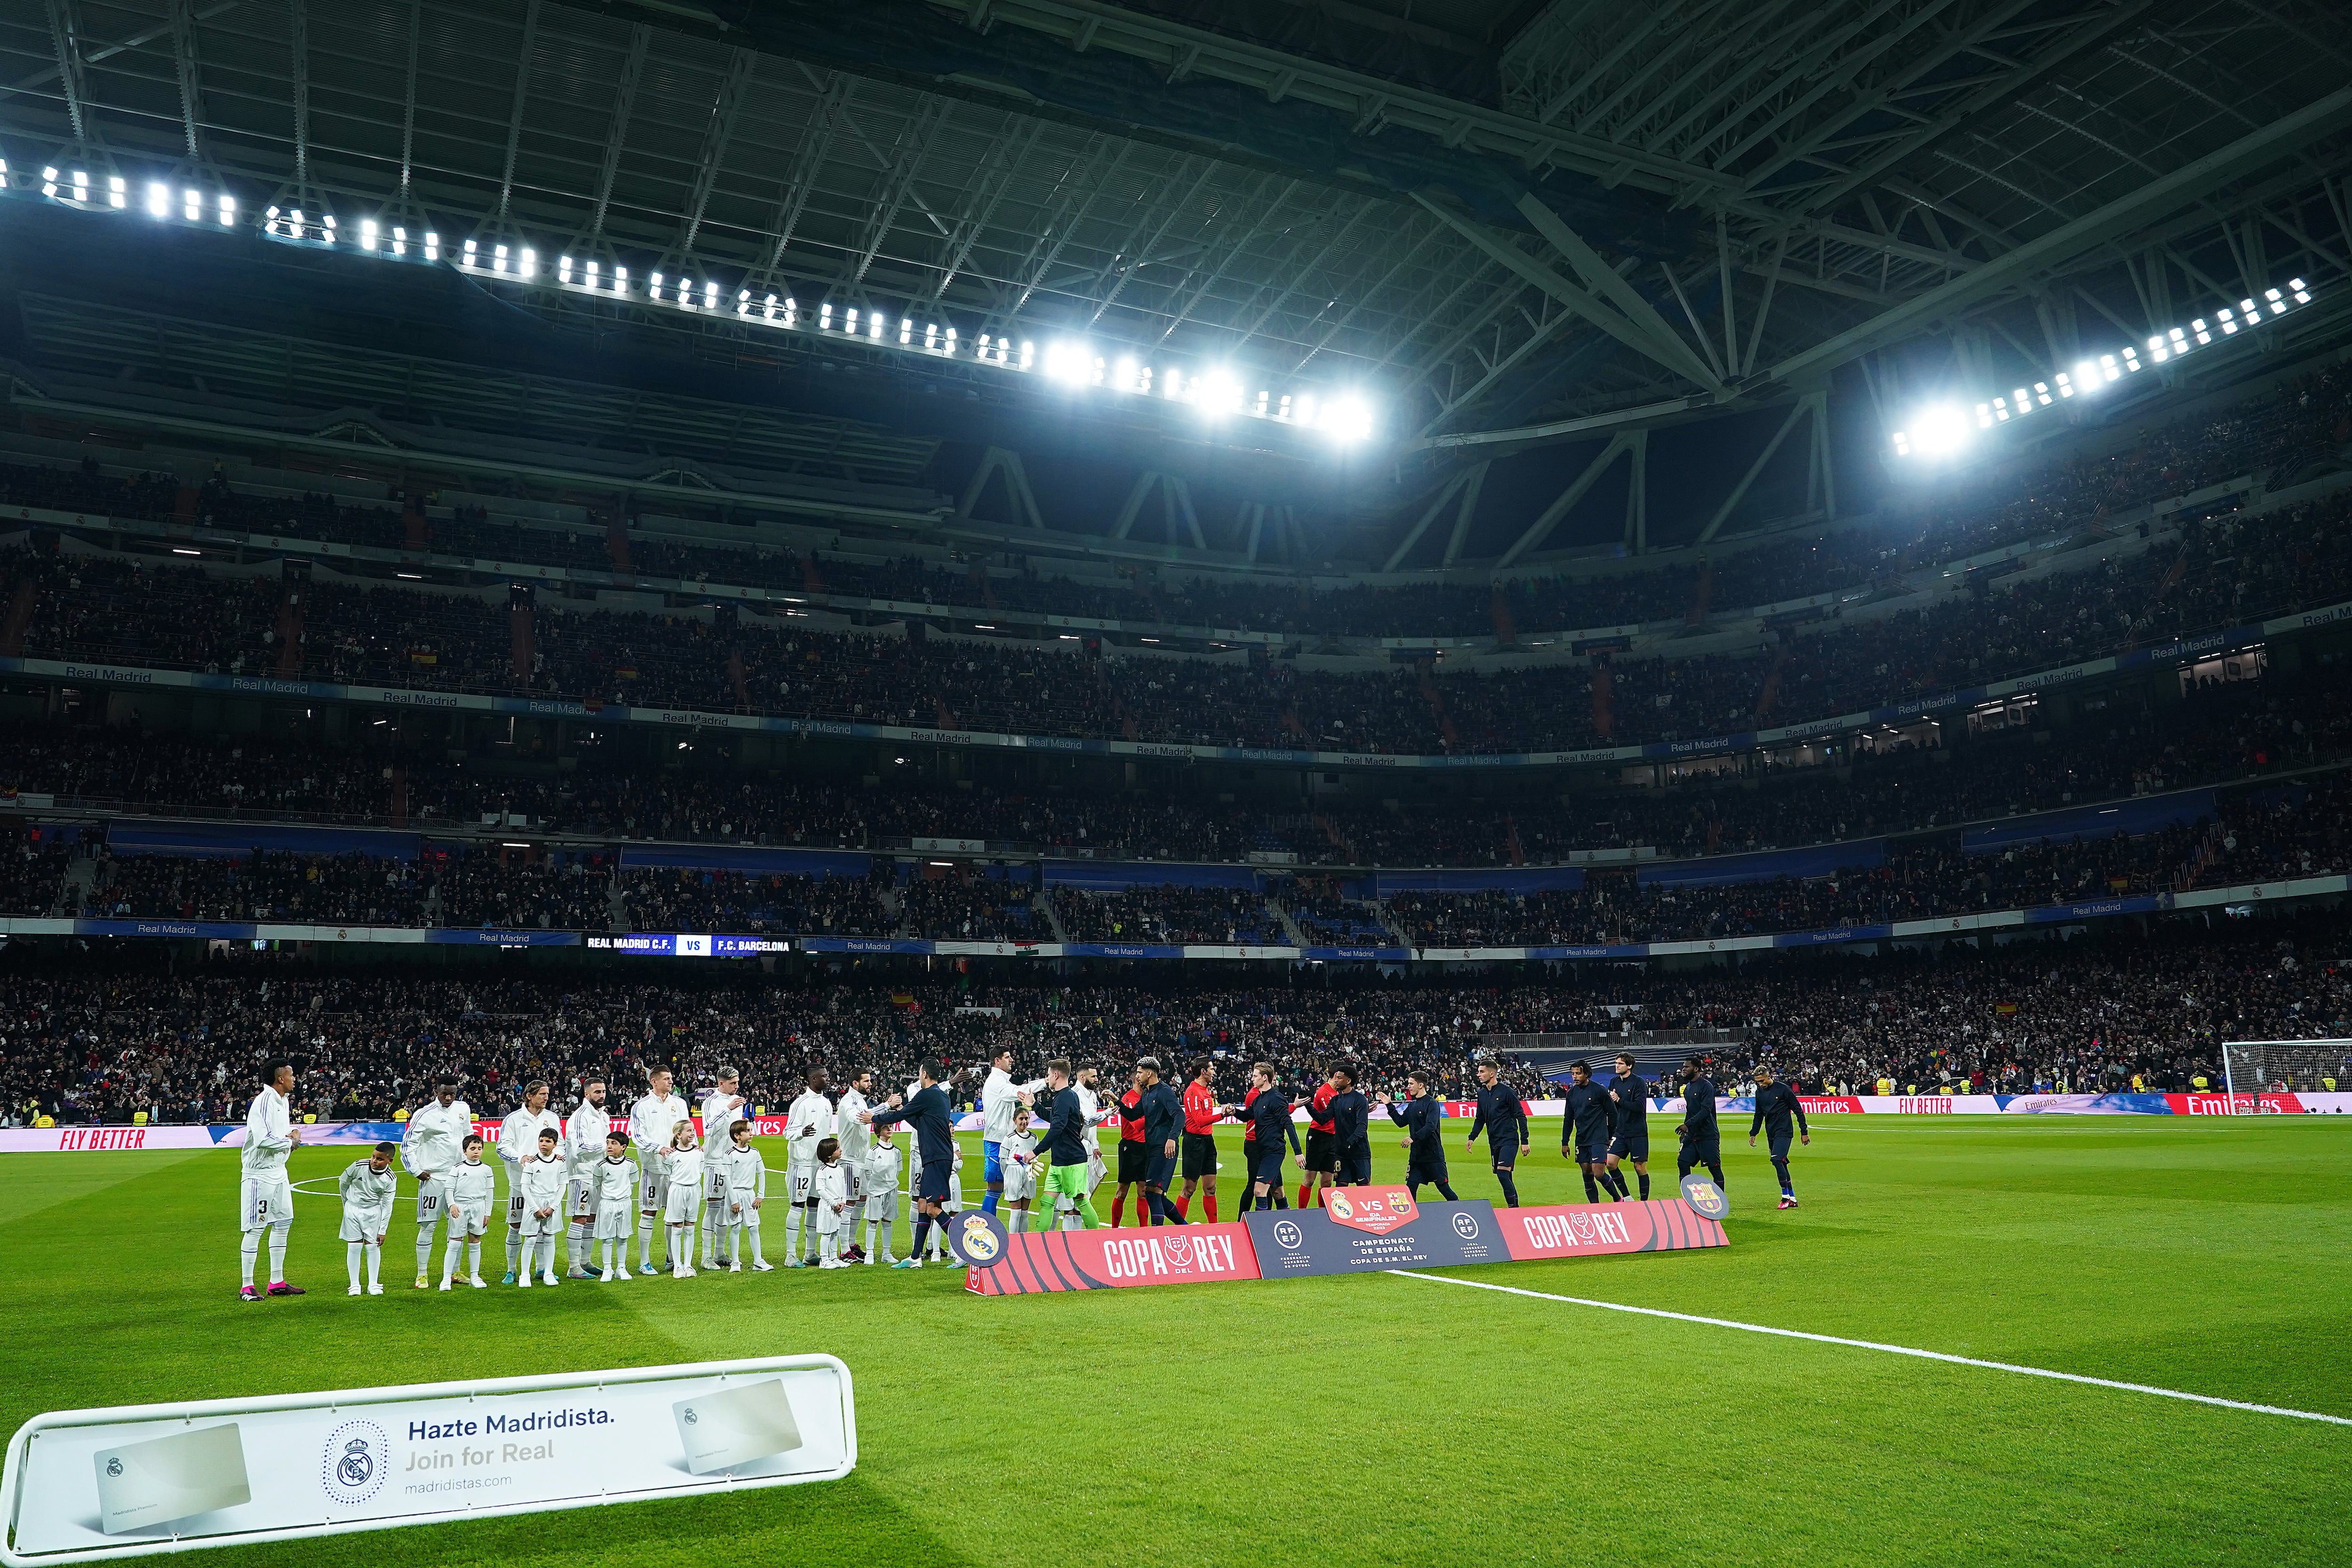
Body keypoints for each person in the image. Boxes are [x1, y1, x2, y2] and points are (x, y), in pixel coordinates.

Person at [864, 1059, 956, 1268]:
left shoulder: (926, 1094)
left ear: (924, 1074)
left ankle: (963, 1248)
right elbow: (918, 1120)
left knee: (933, 1209)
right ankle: (915, 1257)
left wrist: (874, 1118)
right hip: (937, 1155)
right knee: (923, 1205)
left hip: (936, 1157)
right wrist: (904, 1111)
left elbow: (901, 1115)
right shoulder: (942, 1097)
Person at [239, 1059, 302, 1301]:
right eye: (291, 1074)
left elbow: (279, 1134)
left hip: (279, 1171)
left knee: (284, 1221)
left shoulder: (282, 1101)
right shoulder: (264, 1101)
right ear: (280, 1079)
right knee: (256, 1228)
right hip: (260, 1174)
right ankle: (247, 1286)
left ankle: (277, 1281)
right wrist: (291, 1142)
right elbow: (262, 1140)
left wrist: (293, 1133)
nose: (294, 1078)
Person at [402, 1076, 472, 1290]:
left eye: (453, 1093)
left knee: (457, 1226)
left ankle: (455, 1271)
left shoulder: (463, 1109)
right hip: (434, 1178)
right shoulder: (424, 1114)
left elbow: (468, 1136)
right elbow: (408, 1145)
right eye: (445, 1093)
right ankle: (422, 1275)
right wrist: (416, 1171)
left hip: (458, 1178)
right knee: (428, 1226)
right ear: (436, 1091)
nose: (449, 1097)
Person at [1029, 1058, 1106, 1231]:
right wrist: (1035, 1105)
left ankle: (1096, 1237)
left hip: (1072, 1161)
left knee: (1081, 1201)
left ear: (1056, 1075)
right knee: (1047, 1202)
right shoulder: (1065, 1097)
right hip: (1059, 1160)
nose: (1047, 1079)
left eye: (1049, 1075)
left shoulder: (1065, 1097)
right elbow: (1055, 1119)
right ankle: (1038, 1240)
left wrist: (1036, 1151)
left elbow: (1057, 1127)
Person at [497, 1080, 560, 1285]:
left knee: (544, 1226)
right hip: (519, 1182)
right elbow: (502, 1147)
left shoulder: (552, 1118)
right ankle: (511, 1270)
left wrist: (559, 1155)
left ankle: (542, 1268)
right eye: (542, 1094)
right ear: (529, 1096)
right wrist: (521, 1157)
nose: (546, 1097)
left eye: (547, 1094)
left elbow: (562, 1145)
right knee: (515, 1225)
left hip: (546, 1184)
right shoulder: (514, 1119)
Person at [628, 1068, 689, 1276]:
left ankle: (672, 1258)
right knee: (649, 1213)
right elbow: (637, 1136)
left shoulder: (679, 1104)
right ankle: (644, 1262)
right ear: (654, 1082)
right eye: (667, 1079)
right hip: (653, 1167)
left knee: (675, 1214)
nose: (671, 1081)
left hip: (676, 1169)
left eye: (672, 1078)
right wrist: (659, 1148)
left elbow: (687, 1130)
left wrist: (693, 1146)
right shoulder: (641, 1107)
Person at [979, 1047, 1047, 1218]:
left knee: (1017, 1186)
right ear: (997, 1061)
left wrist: (1045, 1082)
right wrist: (1045, 1083)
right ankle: (986, 1225)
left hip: (1009, 1141)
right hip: (996, 1141)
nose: (1011, 1060)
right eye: (1007, 1057)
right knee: (994, 1186)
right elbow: (1018, 1092)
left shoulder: (1003, 1081)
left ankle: (1014, 1230)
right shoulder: (996, 1082)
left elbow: (1018, 1089)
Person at [1378, 1072, 1457, 1202]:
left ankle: (1461, 1210)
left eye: (1411, 1084)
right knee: (1410, 1188)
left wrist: (1413, 1138)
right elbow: (1400, 1122)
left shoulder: (1432, 1104)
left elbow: (1431, 1127)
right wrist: (1389, 1105)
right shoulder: (1412, 1105)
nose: (1408, 1087)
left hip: (1433, 1155)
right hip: (1416, 1157)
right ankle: (1413, 1219)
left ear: (1421, 1085)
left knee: (1443, 1187)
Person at [561, 1077, 612, 1279]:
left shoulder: (603, 1116)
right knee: (580, 1217)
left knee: (592, 1218)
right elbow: (580, 1148)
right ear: (587, 1094)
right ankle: (574, 1267)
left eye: (603, 1091)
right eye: (597, 1092)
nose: (601, 1095)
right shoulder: (580, 1116)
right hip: (582, 1174)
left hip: (598, 1174)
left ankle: (585, 1261)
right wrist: (606, 1147)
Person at [1128, 1056, 1187, 1226]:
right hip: (1152, 1148)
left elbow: (1179, 1115)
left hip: (1164, 1148)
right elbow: (1133, 1115)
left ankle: (1157, 1233)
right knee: (1155, 1193)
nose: (1137, 1076)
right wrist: (1117, 1102)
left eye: (1140, 1072)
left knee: (1153, 1191)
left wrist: (1172, 1138)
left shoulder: (1164, 1091)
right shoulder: (1147, 1093)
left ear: (1149, 1073)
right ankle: (1184, 1227)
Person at [703, 1068, 750, 1270]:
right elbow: (708, 1128)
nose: (737, 1086)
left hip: (732, 1160)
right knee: (713, 1207)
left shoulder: (737, 1101)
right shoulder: (711, 1102)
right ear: (721, 1083)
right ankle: (706, 1257)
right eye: (733, 1083)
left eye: (737, 1082)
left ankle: (719, 1252)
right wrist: (728, 1109)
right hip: (715, 1160)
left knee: (726, 1207)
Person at [338, 1139, 398, 1297]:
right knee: (354, 1247)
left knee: (372, 1247)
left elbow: (387, 1205)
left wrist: (383, 1230)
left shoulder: (390, 1179)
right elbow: (343, 1183)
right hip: (352, 1210)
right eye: (373, 1157)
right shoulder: (358, 1166)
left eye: (379, 1159)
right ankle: (354, 1285)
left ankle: (373, 1284)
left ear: (389, 1161)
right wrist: (346, 1205)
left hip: (373, 1212)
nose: (374, 1161)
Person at [782, 1068, 828, 1268]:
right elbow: (787, 1132)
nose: (827, 1079)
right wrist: (801, 1132)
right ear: (813, 1079)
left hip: (819, 1163)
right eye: (824, 1076)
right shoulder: (800, 1103)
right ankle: (791, 1256)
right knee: (797, 1206)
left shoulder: (826, 1103)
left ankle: (810, 1253)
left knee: (814, 1207)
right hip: (801, 1163)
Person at [1467, 1062, 1529, 1208]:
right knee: (1507, 1176)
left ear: (1492, 1074)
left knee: (1502, 1174)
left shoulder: (1506, 1092)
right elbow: (1480, 1118)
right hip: (1494, 1142)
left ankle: (1512, 1208)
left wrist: (1524, 1140)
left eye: (1482, 1072)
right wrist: (1472, 1137)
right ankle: (1516, 1209)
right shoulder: (1482, 1094)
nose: (1479, 1075)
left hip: (1509, 1140)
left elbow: (1521, 1115)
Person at [1748, 1067, 1811, 1210]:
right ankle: (1793, 1198)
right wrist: (1754, 1133)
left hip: (1785, 1131)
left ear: (1768, 1076)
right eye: (1758, 1082)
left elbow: (1798, 1111)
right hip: (1771, 1132)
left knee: (1777, 1160)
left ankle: (1785, 1197)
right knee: (1781, 1163)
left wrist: (1804, 1132)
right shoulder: (1759, 1093)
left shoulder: (1783, 1090)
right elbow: (1759, 1114)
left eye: (1762, 1081)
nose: (1760, 1084)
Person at [441, 1133, 496, 1290]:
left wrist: (488, 1213)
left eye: (479, 1148)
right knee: (455, 1241)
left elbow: (490, 1192)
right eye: (473, 1148)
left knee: (475, 1241)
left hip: (478, 1206)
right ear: (465, 1151)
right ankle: (446, 1278)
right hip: (460, 1207)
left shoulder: (486, 1169)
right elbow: (449, 1188)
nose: (476, 1151)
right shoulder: (458, 1168)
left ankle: (475, 1276)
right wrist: (452, 1205)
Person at [1561, 1060, 1619, 1204]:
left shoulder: (1599, 1090)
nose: (1575, 1077)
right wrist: (1565, 1142)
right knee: (1587, 1173)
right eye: (1573, 1074)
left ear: (1586, 1074)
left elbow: (1612, 1113)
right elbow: (1568, 1119)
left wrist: (1609, 1135)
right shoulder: (1571, 1094)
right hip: (1582, 1139)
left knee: (1599, 1173)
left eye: (1578, 1073)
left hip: (1599, 1138)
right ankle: (1595, 1207)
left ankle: (1618, 1199)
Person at [517, 1126, 566, 1288]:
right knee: (530, 1239)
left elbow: (562, 1186)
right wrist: (534, 1208)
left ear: (555, 1144)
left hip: (551, 1204)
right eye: (541, 1141)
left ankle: (549, 1273)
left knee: (550, 1238)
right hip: (534, 1204)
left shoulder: (560, 1163)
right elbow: (525, 1187)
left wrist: (553, 1206)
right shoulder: (531, 1163)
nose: (543, 1144)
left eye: (548, 1141)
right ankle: (525, 1275)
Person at [834, 1067, 874, 1260]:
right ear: (855, 1084)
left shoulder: (861, 1100)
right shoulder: (849, 1101)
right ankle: (844, 1250)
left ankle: (851, 1242)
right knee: (850, 1202)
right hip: (849, 1160)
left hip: (862, 1159)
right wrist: (885, 1107)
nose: (870, 1084)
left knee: (862, 1200)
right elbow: (857, 1118)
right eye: (866, 1081)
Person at [1177, 1059, 1221, 1221]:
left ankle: (1214, 1227)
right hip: (1194, 1142)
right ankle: (1178, 1227)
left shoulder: (1205, 1091)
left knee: (1211, 1188)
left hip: (1208, 1141)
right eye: (1211, 1069)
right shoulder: (1193, 1092)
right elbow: (1199, 1121)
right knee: (1189, 1189)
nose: (1214, 1072)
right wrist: (1222, 1115)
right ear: (1203, 1072)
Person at [726, 1119, 771, 1271]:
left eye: (751, 1130)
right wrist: (734, 1201)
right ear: (737, 1136)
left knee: (754, 1228)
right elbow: (727, 1178)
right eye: (748, 1131)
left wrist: (760, 1195)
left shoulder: (755, 1152)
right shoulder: (730, 1154)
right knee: (736, 1228)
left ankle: (758, 1261)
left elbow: (762, 1173)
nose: (751, 1133)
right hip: (735, 1194)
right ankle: (735, 1262)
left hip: (750, 1195)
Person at [592, 1130, 638, 1282]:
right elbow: (597, 1185)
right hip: (607, 1204)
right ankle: (607, 1269)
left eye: (614, 1143)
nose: (609, 1146)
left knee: (623, 1238)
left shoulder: (631, 1164)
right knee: (607, 1239)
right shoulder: (601, 1165)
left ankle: (621, 1268)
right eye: (608, 1143)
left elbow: (632, 1182)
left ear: (623, 1147)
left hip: (625, 1204)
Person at [1606, 1053, 1652, 1201]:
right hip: (1620, 1132)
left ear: (1629, 1066)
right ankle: (1627, 1197)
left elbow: (1639, 1107)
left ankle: (1644, 1202)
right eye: (1616, 1063)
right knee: (1610, 1163)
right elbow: (1611, 1106)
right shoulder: (1614, 1082)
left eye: (1620, 1064)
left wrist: (1619, 1100)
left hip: (1637, 1132)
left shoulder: (1638, 1083)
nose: (1617, 1066)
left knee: (1639, 1167)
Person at [662, 1122, 704, 1278]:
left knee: (690, 1228)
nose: (692, 1133)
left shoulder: (699, 1153)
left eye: (693, 1130)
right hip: (678, 1190)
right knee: (677, 1227)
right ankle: (677, 1266)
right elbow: (668, 1173)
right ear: (679, 1135)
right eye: (689, 1131)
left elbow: (700, 1169)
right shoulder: (671, 1155)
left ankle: (688, 1265)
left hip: (694, 1190)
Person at [1675, 1060, 1725, 1191]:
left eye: (1687, 1067)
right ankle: (1688, 1197)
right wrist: (1686, 1132)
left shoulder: (1706, 1086)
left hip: (1708, 1134)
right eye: (1683, 1067)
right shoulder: (1688, 1088)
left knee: (1714, 1168)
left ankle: (1721, 1200)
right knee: (1683, 1162)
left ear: (1696, 1069)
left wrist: (1687, 1125)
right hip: (1693, 1136)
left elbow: (1705, 1110)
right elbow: (1690, 1111)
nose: (1683, 1069)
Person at [1321, 1067, 1373, 1187]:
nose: (1336, 1081)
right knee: (1341, 1189)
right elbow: (1322, 1119)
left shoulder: (1359, 1099)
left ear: (1348, 1081)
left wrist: (1349, 1142)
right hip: (1342, 1153)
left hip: (1360, 1152)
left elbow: (1362, 1126)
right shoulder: (1336, 1100)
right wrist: (1307, 1104)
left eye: (1339, 1078)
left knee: (1364, 1188)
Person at [1110, 1068, 1148, 1227]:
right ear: (1137, 1080)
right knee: (1122, 1191)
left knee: (1143, 1191)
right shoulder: (1128, 1099)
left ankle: (1144, 1230)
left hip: (1146, 1148)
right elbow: (1134, 1124)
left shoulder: (1147, 1098)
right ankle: (1114, 1229)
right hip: (1130, 1148)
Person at [1298, 1065, 1339, 1210]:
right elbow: (1327, 1117)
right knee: (1310, 1179)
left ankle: (1322, 1213)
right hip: (1318, 1136)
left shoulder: (1336, 1092)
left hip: (1332, 1138)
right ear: (1335, 1076)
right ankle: (1301, 1213)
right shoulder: (1324, 1092)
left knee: (1327, 1181)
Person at [861, 1124, 903, 1266]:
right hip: (876, 1191)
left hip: (892, 1189)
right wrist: (874, 1186)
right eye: (886, 1127)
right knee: (873, 1221)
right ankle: (870, 1253)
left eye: (891, 1126)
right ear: (879, 1132)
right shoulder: (873, 1151)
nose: (890, 1129)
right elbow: (867, 1171)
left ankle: (887, 1253)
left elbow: (897, 1171)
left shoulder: (897, 1151)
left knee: (888, 1221)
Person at [1000, 1104, 1041, 1232]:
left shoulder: (1034, 1138)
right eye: (1021, 1119)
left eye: (1027, 1119)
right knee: (1016, 1212)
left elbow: (1036, 1157)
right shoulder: (1009, 1138)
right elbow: (1003, 1160)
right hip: (1013, 1172)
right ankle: (1013, 1241)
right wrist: (1007, 1175)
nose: (1024, 1122)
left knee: (1024, 1212)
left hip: (1029, 1173)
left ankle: (1024, 1239)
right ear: (1015, 1120)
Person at [812, 1135, 850, 1268]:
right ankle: (824, 1259)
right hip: (828, 1207)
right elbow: (821, 1190)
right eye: (837, 1148)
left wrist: (843, 1202)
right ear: (829, 1154)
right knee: (827, 1233)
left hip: (839, 1206)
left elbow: (843, 1186)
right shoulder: (822, 1171)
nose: (841, 1150)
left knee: (835, 1232)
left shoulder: (839, 1169)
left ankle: (834, 1258)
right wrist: (834, 1204)